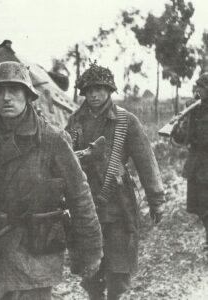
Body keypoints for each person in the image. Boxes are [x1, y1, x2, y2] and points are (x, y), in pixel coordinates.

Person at [0, 61, 103, 300]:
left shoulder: (52, 139)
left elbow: (80, 195)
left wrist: (91, 251)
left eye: (14, 90)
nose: (6, 98)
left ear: (28, 95)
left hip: (35, 249)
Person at [66, 62, 165, 300]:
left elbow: (146, 162)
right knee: (90, 266)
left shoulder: (125, 121)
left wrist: (156, 199)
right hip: (84, 203)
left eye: (99, 88)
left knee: (118, 267)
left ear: (110, 90)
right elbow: (64, 158)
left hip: (118, 203)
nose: (94, 94)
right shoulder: (76, 122)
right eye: (89, 89)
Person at [172, 72, 208, 250]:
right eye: (198, 87)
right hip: (196, 163)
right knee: (200, 205)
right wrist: (177, 126)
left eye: (202, 87)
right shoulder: (195, 109)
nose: (198, 91)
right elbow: (184, 139)